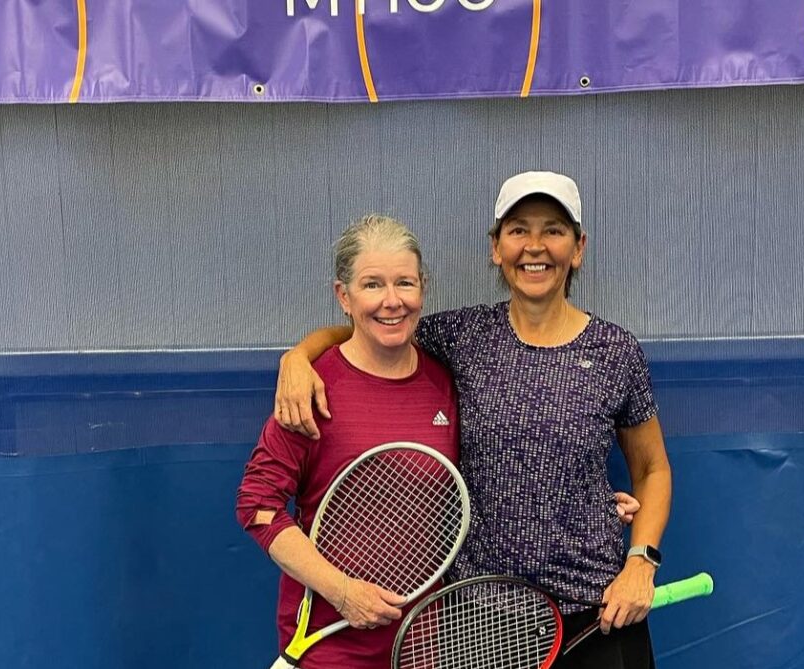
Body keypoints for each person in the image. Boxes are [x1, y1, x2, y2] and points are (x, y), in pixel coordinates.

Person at [274, 171, 672, 669]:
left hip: (598, 611)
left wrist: (641, 562)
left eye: (553, 230)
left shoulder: (616, 352)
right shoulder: (462, 336)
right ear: (496, 247)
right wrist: (300, 356)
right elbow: (376, 326)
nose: (535, 246)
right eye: (518, 230)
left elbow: (653, 470)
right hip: (482, 622)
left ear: (578, 247)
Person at [236, 215, 460, 669]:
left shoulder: (446, 381)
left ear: (424, 288)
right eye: (372, 285)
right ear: (344, 296)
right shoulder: (312, 386)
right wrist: (342, 592)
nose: (392, 301)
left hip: (421, 643)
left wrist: (584, 500)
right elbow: (257, 507)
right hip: (327, 643)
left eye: (405, 283)